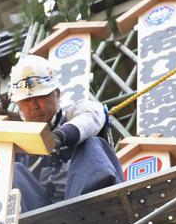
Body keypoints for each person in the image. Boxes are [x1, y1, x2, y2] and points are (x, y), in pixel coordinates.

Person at [9, 54, 124, 213]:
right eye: (26, 101)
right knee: (11, 170)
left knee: (91, 143)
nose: (34, 106)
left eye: (41, 96)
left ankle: (96, 204)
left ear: (56, 94)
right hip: (43, 215)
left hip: (87, 202)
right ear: (19, 105)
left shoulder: (74, 114)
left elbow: (92, 115)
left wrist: (58, 137)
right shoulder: (20, 143)